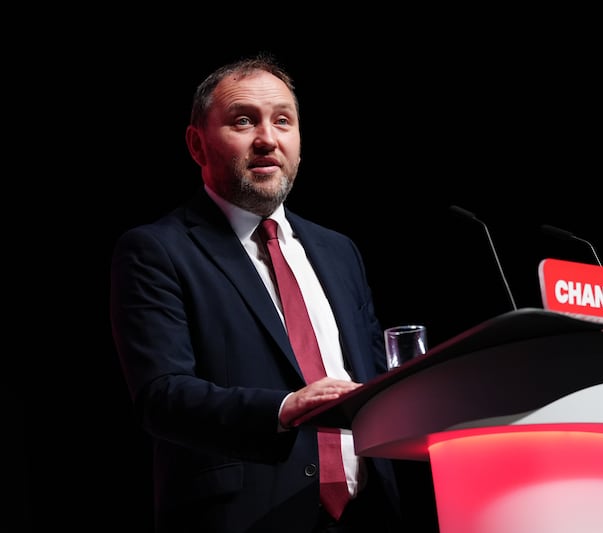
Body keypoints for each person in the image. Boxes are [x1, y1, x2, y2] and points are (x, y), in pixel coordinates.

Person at [109, 53, 409, 533]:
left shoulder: (339, 250)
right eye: (244, 121)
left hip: (370, 512)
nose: (268, 139)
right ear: (197, 144)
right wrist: (283, 409)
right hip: (247, 518)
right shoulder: (156, 250)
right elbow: (161, 397)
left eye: (283, 121)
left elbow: (372, 376)